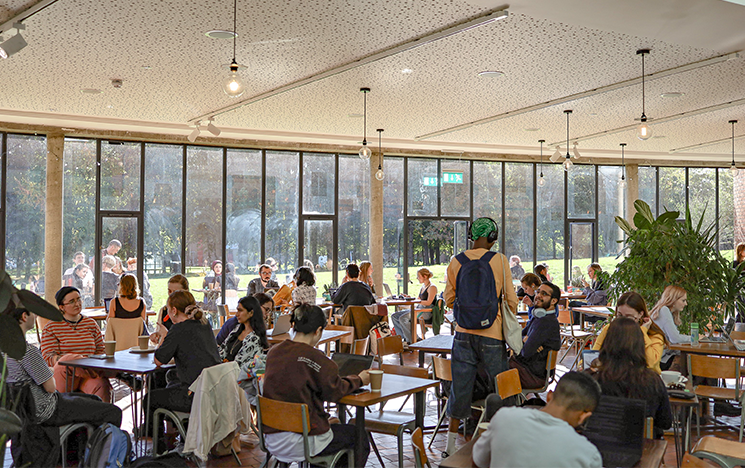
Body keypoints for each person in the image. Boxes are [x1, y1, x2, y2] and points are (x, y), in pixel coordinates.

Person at [442, 217, 518, 457]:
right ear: (493, 238)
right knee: (502, 388)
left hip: (462, 334)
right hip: (492, 335)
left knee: (460, 388)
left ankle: (449, 446)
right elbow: (511, 299)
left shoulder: (456, 261)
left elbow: (449, 299)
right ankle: (504, 443)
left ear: (471, 237)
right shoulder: (499, 260)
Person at [262, 304, 371, 467]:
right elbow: (335, 391)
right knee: (358, 436)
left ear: (294, 326)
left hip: (271, 438)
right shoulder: (318, 359)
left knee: (332, 427)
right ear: (318, 330)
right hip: (304, 440)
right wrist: (360, 380)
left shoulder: (274, 352)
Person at [6, 307, 122, 433]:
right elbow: (50, 387)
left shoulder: (4, 350)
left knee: (94, 400)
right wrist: (49, 371)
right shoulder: (28, 351)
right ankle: (103, 450)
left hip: (24, 413)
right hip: (48, 409)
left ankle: (87, 447)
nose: (36, 316)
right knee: (113, 411)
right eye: (34, 312)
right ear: (24, 316)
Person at [472, 371, 602, 468]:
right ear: (584, 416)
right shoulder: (588, 455)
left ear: (550, 396)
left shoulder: (503, 417)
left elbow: (478, 461)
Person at [147, 291, 221, 442]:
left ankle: (159, 445)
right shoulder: (205, 324)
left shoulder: (178, 329)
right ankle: (183, 434)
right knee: (170, 379)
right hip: (214, 391)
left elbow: (159, 360)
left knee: (150, 399)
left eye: (168, 310)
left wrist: (163, 336)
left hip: (194, 395)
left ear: (174, 310)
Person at [588, 317, 673, 438]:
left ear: (607, 342)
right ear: (639, 345)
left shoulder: (591, 379)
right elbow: (665, 422)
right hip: (642, 450)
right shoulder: (652, 381)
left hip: (597, 449)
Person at [41, 287, 111, 401]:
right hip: (63, 374)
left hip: (88, 375)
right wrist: (76, 360)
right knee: (68, 359)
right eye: (72, 301)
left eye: (79, 299)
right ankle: (116, 374)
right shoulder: (51, 326)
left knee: (101, 384)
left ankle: (104, 418)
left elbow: (100, 351)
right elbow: (48, 358)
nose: (77, 304)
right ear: (61, 307)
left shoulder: (91, 324)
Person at [592, 291, 666, 374]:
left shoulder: (654, 335)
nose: (623, 321)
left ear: (640, 314)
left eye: (629, 317)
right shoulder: (610, 329)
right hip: (615, 379)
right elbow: (594, 354)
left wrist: (642, 333)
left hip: (645, 381)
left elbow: (651, 363)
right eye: (620, 315)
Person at [218, 296, 269, 405]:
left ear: (251, 313)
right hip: (225, 373)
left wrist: (223, 362)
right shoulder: (236, 330)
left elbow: (239, 366)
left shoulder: (255, 339)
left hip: (238, 382)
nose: (236, 314)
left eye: (240, 310)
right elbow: (222, 350)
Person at [509, 281, 561, 389]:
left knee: (490, 369)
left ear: (554, 301)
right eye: (538, 292)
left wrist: (524, 341)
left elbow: (525, 352)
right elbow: (520, 335)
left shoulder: (546, 323)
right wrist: (525, 340)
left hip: (532, 375)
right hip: (528, 369)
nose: (538, 296)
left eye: (544, 294)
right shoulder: (540, 318)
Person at [391, 267, 436, 343]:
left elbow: (428, 302)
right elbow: (419, 299)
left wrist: (417, 301)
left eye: (419, 276)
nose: (417, 278)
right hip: (419, 309)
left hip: (425, 312)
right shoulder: (423, 287)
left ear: (425, 276)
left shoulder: (432, 287)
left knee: (403, 319)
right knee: (394, 316)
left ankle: (413, 339)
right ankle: (403, 338)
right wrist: (409, 298)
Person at [650, 285, 689, 372]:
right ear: (673, 300)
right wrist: (695, 338)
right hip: (659, 360)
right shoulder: (664, 310)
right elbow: (675, 338)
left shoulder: (665, 311)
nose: (685, 304)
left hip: (661, 356)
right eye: (683, 300)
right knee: (694, 362)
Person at [150, 274, 189, 346]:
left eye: (175, 292)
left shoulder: (192, 312)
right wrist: (156, 336)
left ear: (186, 292)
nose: (171, 295)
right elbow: (159, 334)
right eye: (169, 291)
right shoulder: (164, 311)